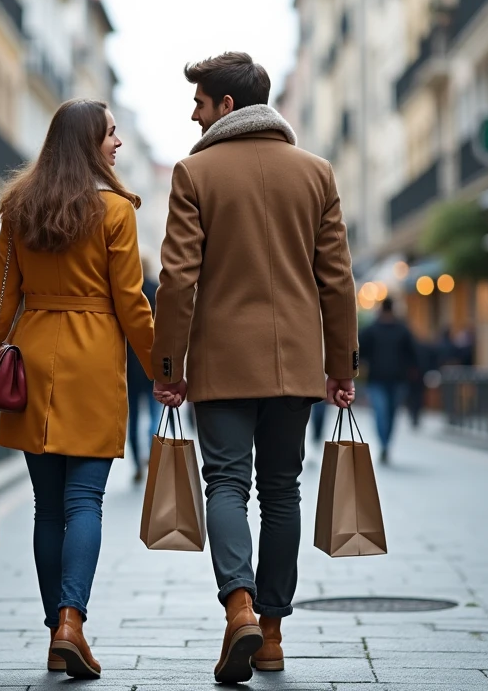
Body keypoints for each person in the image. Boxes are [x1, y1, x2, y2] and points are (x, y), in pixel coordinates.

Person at [151, 52, 358, 684]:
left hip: (221, 362)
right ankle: (270, 634)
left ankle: (237, 604)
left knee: (226, 485)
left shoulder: (195, 172)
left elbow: (179, 279)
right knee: (282, 491)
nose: (194, 114)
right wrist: (341, 364)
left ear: (227, 107)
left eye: (200, 103)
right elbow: (338, 280)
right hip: (296, 362)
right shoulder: (316, 172)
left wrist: (168, 364)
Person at [0, 99, 154, 679]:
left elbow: (1, 302)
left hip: (32, 355)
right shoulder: (116, 211)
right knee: (84, 501)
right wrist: (166, 368)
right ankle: (72, 620)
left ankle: (57, 634)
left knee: (48, 508)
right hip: (93, 360)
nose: (118, 144)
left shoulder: (22, 205)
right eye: (111, 134)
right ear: (88, 142)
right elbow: (131, 302)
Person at [359, 298, 418, 464]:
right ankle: (385, 443)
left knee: (385, 413)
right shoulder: (401, 330)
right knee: (386, 413)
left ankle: (385, 443)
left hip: (384, 379)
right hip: (391, 380)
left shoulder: (371, 330)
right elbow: (413, 354)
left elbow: (359, 350)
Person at [126, 260, 162, 481]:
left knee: (134, 417)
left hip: (129, 366)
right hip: (152, 362)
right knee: (154, 414)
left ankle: (137, 463)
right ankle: (152, 452)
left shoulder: (127, 291)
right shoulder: (155, 290)